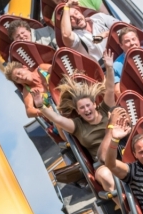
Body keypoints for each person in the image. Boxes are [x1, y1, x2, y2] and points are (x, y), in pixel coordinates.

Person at [38, 63, 118, 193]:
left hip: (120, 155)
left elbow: (109, 89)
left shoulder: (105, 110)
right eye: (82, 108)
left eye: (88, 105)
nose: (86, 110)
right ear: (78, 111)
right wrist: (41, 106)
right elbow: (57, 119)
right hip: (102, 164)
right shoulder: (77, 125)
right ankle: (128, 211)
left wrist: (109, 68)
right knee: (107, 178)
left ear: (94, 104)